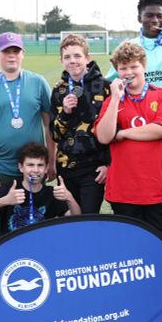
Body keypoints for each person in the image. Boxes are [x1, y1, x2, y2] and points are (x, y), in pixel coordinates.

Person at [108, 0, 162, 277]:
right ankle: (141, 266)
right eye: (149, 15)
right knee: (143, 209)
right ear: (139, 18)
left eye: (160, 15)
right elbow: (111, 80)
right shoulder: (131, 50)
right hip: (140, 145)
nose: (155, 20)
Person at [0, 32, 53, 241]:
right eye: (6, 51)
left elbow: (48, 124)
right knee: (0, 232)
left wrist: (51, 161)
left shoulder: (38, 82)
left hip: (34, 168)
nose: (11, 55)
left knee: (36, 226)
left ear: (23, 54)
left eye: (16, 51)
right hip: (0, 171)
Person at [95, 41, 162, 243]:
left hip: (156, 188)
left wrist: (123, 134)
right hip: (123, 190)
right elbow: (104, 136)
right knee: (129, 245)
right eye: (123, 68)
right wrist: (115, 98)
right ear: (117, 71)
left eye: (134, 66)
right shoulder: (111, 101)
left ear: (144, 66)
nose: (129, 72)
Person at [49, 34, 111, 214]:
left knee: (89, 218)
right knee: (69, 218)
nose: (72, 61)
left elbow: (114, 130)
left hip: (94, 168)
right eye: (67, 57)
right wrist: (66, 113)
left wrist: (109, 164)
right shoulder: (58, 90)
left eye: (77, 56)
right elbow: (54, 134)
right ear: (61, 60)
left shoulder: (106, 87)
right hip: (66, 167)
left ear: (87, 58)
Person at [0, 142, 81, 232]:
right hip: (12, 250)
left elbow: (76, 218)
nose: (35, 170)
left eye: (40, 165)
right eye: (30, 165)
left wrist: (69, 197)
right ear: (21, 167)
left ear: (46, 168)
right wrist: (6, 200)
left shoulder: (51, 193)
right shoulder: (11, 189)